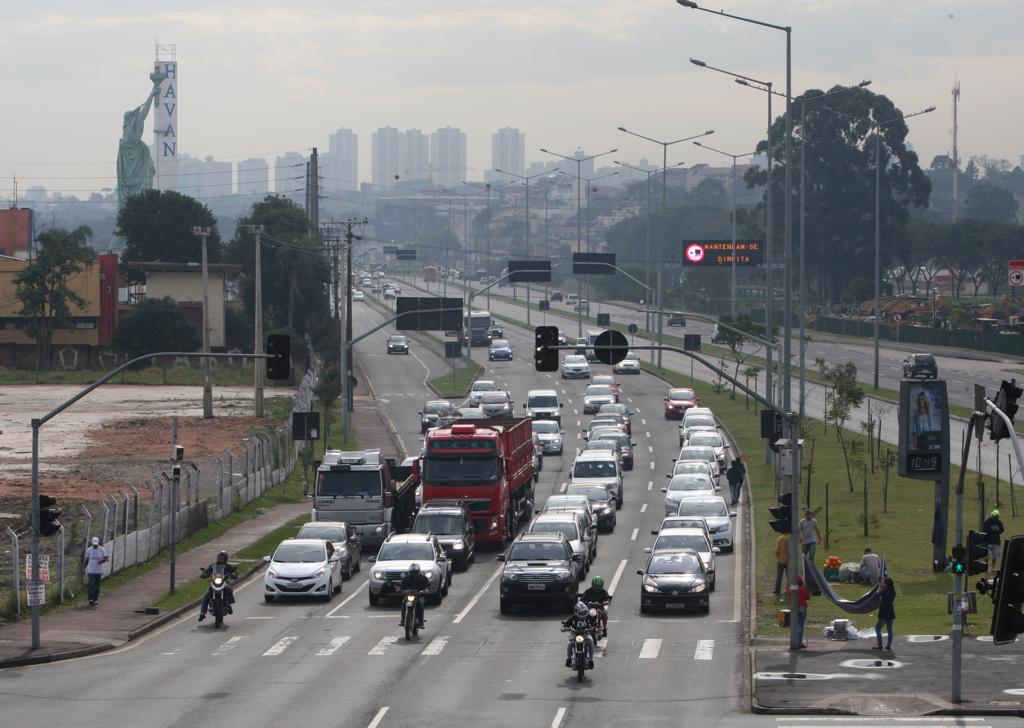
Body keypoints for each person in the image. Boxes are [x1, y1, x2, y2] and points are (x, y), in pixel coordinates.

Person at [198, 550, 237, 622]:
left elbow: (233, 572)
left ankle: (229, 605)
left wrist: (233, 574)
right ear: (217, 558)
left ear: (226, 559)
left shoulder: (228, 566)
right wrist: (204, 574)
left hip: (224, 582)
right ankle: (202, 613)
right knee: (206, 596)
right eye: (220, 558)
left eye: (223, 559)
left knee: (229, 589)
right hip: (214, 582)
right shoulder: (213, 566)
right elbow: (207, 571)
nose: (221, 560)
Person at [561, 601, 595, 669]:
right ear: (576, 612)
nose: (583, 614)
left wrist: (594, 628)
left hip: (586, 634)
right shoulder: (573, 618)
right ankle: (569, 659)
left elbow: (593, 624)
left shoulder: (588, 617)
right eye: (581, 612)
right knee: (570, 644)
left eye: (584, 612)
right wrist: (564, 628)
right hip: (575, 634)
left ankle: (590, 659)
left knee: (591, 641)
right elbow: (565, 625)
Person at [398, 562, 431, 628]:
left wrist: (425, 590)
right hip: (409, 596)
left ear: (418, 571)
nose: (413, 574)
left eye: (415, 572)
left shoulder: (423, 578)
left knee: (421, 605)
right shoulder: (406, 578)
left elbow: (428, 586)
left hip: (419, 596)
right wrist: (401, 590)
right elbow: (402, 586)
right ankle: (403, 620)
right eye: (412, 572)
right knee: (403, 603)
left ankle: (421, 622)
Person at [82, 536, 108, 606]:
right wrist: (84, 569)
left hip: (98, 571)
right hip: (91, 570)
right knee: (91, 584)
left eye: (96, 545)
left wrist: (102, 561)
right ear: (92, 543)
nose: (95, 546)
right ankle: (91, 599)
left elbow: (106, 558)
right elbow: (86, 560)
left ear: (98, 543)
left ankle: (96, 599)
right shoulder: (89, 550)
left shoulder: (102, 549)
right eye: (94, 545)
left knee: (97, 586)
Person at [873, 577, 896, 651]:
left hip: (884, 613)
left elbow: (877, 594)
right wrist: (881, 585)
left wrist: (879, 586)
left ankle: (880, 645)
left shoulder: (884, 592)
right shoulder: (893, 591)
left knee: (878, 628)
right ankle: (888, 646)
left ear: (886, 585)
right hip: (891, 613)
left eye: (884, 583)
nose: (883, 583)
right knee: (890, 630)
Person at [793, 575, 811, 650]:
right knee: (800, 626)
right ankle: (799, 643)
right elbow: (808, 597)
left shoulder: (793, 588)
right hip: (802, 607)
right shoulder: (803, 588)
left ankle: (795, 642)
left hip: (794, 608)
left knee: (796, 626)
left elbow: (789, 596)